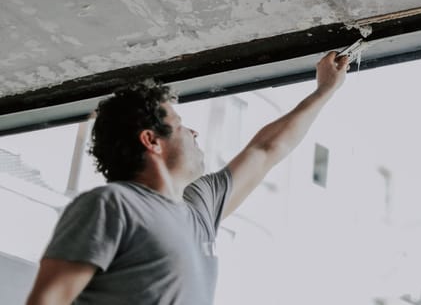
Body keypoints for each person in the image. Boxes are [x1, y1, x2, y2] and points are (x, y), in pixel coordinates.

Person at [26, 51, 350, 305]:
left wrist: (324, 90)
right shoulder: (110, 205)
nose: (194, 132)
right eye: (180, 124)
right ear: (151, 140)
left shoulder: (199, 208)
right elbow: (48, 300)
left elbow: (265, 150)